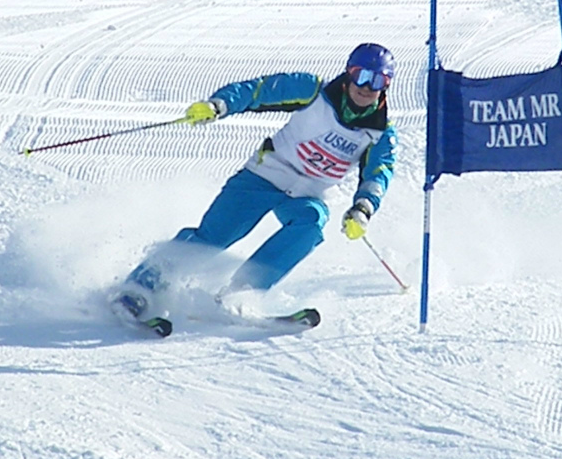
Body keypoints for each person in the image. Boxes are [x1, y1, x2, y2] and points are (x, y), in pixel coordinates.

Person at [113, 43, 398, 320]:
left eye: (377, 81)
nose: (366, 87)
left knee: (310, 226)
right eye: (361, 75)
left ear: (386, 85)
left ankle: (239, 294)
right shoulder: (312, 91)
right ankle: (140, 288)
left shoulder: (380, 134)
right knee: (213, 237)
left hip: (309, 194)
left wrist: (362, 209)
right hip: (265, 176)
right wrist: (218, 105)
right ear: (348, 73)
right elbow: (258, 90)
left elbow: (378, 174)